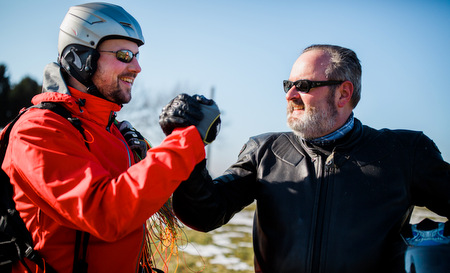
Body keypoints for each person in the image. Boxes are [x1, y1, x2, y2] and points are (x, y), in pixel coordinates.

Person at [161, 44, 450, 272]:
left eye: (304, 85)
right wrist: (190, 146)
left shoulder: (405, 151)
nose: (291, 94)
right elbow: (205, 213)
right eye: (288, 85)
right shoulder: (264, 150)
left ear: (343, 93)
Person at [1, 2, 219, 273]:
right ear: (79, 57)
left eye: (138, 55)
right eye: (125, 55)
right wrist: (186, 141)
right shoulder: (38, 131)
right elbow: (106, 213)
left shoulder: (113, 131)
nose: (137, 67)